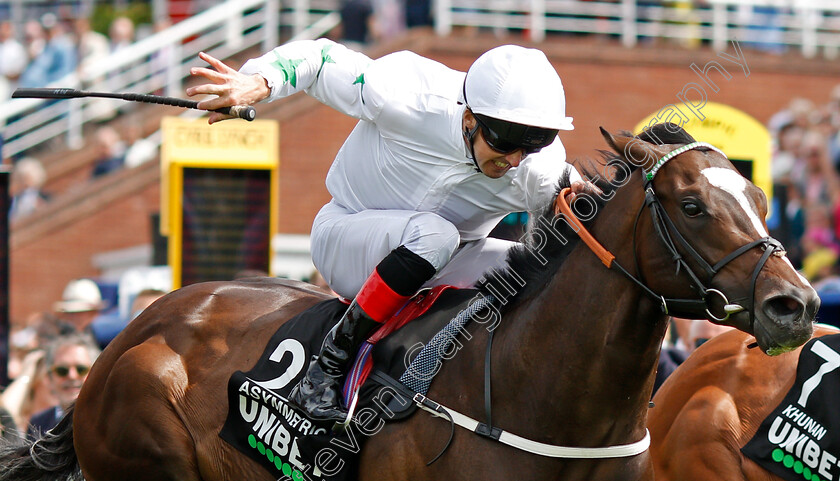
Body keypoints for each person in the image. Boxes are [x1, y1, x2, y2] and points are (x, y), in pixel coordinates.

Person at [187, 40, 586, 424]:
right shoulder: (406, 94)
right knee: (436, 236)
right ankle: (327, 367)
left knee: (537, 268)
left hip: (447, 260)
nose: (514, 160)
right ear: (469, 119)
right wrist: (259, 81)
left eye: (533, 145)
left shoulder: (538, 168)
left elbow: (589, 214)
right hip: (347, 236)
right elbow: (321, 59)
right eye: (505, 142)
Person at [27, 332, 98, 439]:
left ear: (95, 374)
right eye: (62, 370)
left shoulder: (107, 419)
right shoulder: (37, 424)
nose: (72, 376)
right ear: (49, 379)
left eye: (81, 369)